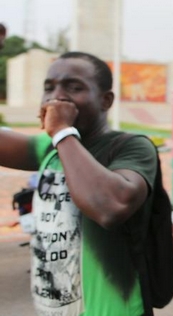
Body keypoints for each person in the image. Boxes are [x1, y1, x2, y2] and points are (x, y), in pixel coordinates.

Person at [0, 51, 158, 315]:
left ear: (106, 100)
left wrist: (62, 131)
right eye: (49, 88)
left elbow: (111, 207)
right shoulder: (51, 148)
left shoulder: (130, 148)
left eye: (74, 87)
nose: (56, 96)